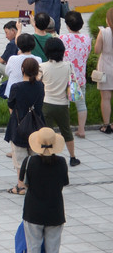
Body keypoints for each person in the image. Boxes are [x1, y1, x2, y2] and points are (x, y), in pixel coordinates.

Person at [20, 127, 69, 253]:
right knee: (53, 251)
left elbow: (23, 184)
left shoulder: (29, 162)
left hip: (33, 212)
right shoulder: (62, 162)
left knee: (33, 249)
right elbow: (63, 183)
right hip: (55, 211)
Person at [6, 58, 45, 194]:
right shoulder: (41, 86)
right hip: (37, 125)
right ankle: (34, 184)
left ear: (22, 70)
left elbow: (11, 104)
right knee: (35, 155)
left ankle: (21, 185)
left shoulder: (16, 87)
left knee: (20, 157)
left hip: (19, 126)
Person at [40, 38, 79, 166]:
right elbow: (72, 83)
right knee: (66, 131)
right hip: (62, 104)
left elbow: (38, 82)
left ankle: (48, 156)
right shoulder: (68, 66)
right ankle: (73, 157)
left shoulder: (43, 67)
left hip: (46, 103)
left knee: (47, 131)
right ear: (62, 51)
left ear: (46, 51)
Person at [60, 11, 89, 138]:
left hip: (65, 77)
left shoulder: (62, 39)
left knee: (64, 104)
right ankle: (81, 129)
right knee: (81, 104)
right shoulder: (87, 39)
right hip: (80, 77)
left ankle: (65, 130)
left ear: (67, 25)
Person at [5, 33, 41, 98]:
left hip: (13, 92)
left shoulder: (12, 59)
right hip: (31, 91)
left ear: (18, 45)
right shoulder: (38, 60)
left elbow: (7, 73)